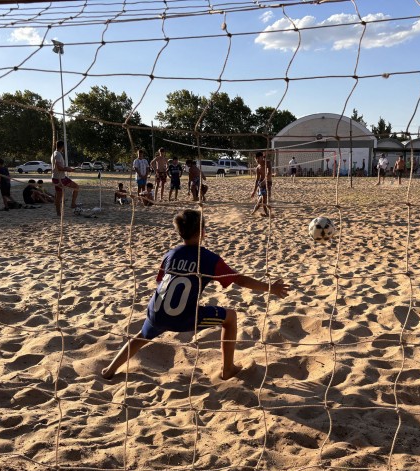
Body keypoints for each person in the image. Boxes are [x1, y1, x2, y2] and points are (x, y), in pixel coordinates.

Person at [100, 209, 289, 381]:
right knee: (230, 317)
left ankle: (110, 369)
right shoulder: (208, 258)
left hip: (156, 311)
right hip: (183, 318)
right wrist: (270, 288)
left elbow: (160, 281)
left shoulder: (170, 254)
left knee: (141, 336)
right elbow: (239, 280)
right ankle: (228, 368)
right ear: (202, 232)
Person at [51, 140, 80, 216]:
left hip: (62, 177)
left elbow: (61, 167)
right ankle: (58, 213)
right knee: (59, 196)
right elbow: (58, 168)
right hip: (58, 178)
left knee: (76, 187)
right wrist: (67, 169)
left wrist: (69, 168)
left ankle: (73, 204)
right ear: (62, 147)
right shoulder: (57, 154)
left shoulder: (57, 153)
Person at [250, 151, 271, 217]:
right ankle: (264, 213)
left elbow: (269, 172)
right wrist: (254, 191)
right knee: (263, 198)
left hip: (268, 183)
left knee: (264, 199)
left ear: (262, 157)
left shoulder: (267, 163)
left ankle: (255, 212)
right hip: (261, 184)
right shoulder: (258, 168)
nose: (257, 160)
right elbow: (257, 180)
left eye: (258, 158)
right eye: (256, 159)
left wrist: (265, 180)